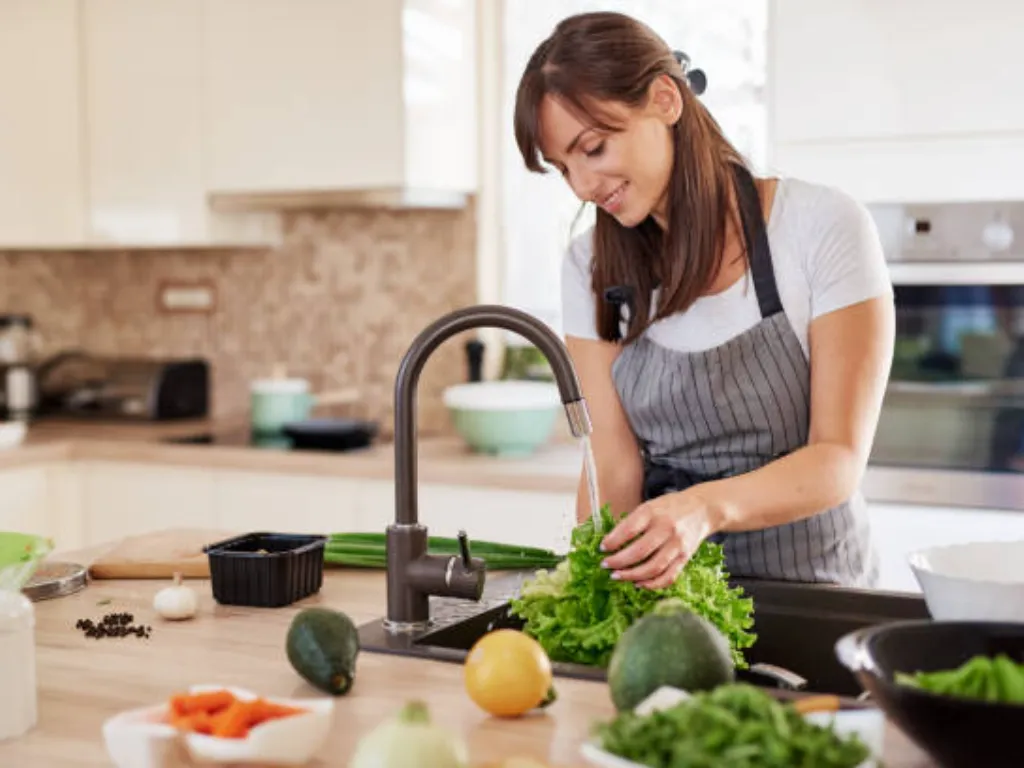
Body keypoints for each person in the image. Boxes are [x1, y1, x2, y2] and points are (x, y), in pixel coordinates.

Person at [513, 11, 895, 590]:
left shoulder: (821, 226)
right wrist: (591, 591)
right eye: (563, 168)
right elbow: (614, 468)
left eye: (593, 148)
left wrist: (703, 508)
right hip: (669, 605)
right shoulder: (590, 265)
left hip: (820, 594)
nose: (583, 187)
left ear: (665, 100)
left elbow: (836, 458)